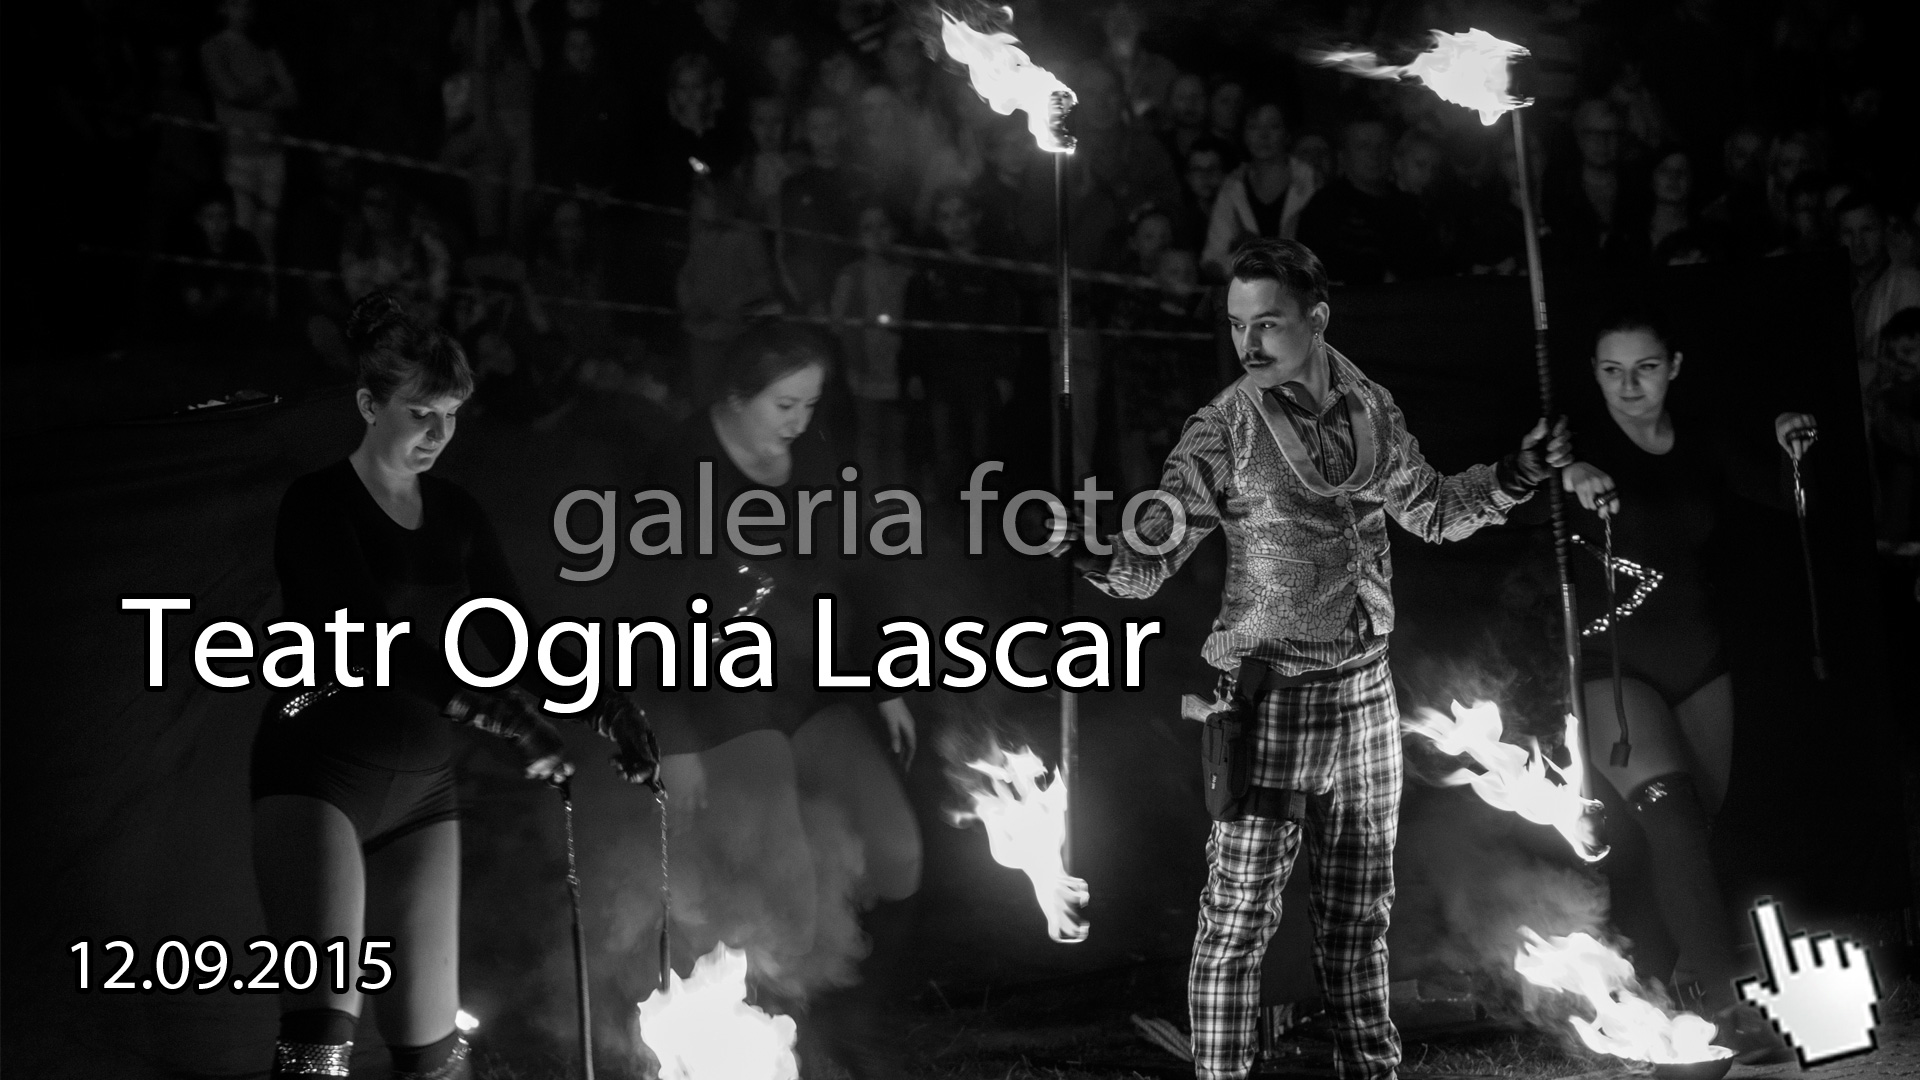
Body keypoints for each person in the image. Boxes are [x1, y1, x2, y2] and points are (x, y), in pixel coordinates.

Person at [1077, 238, 1572, 1080]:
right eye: (1237, 326)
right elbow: (1152, 551)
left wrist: (1520, 472)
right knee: (1237, 920)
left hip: (1368, 695)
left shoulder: (1372, 407)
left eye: (1267, 323)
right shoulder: (1223, 428)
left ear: (1317, 321)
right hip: (1271, 699)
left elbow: (1436, 513)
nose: (1250, 344)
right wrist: (1092, 547)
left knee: (1359, 918)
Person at [254, 292, 654, 1080]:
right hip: (318, 773)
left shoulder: (457, 513)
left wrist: (608, 708)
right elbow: (369, 639)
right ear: (370, 405)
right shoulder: (318, 505)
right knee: (321, 1044)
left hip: (423, 792)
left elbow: (520, 640)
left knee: (435, 1059)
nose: (440, 434)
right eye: (420, 414)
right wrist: (502, 717)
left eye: (453, 415)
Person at [645, 325, 922, 1080]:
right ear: (737, 395)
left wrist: (883, 675)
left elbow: (854, 574)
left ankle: (843, 1013)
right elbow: (646, 613)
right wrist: (674, 740)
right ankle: (774, 1040)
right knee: (788, 890)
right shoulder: (678, 467)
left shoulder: (815, 462)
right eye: (785, 403)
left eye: (811, 402)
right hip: (722, 702)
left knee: (896, 858)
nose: (800, 420)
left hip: (809, 686)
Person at [1556, 313, 1812, 1061]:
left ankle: (1651, 987)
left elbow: (1789, 501)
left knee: (1691, 830)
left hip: (1699, 659)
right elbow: (1527, 479)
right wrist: (1566, 476)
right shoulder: (1577, 447)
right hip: (1611, 667)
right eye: (1611, 371)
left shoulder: (1700, 438)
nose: (1628, 386)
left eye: (1644, 369)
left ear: (1673, 366)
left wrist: (1793, 447)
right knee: (1670, 819)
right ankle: (1729, 1013)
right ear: (1595, 372)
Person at [200, 0, 297, 261]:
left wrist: (252, 93)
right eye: (237, 5)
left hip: (273, 152)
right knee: (243, 229)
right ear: (222, 8)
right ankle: (243, 293)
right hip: (239, 153)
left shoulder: (265, 49)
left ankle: (270, 296)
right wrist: (267, 88)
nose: (244, 11)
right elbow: (230, 92)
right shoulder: (213, 48)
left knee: (268, 232)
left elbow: (291, 96)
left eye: (248, 5)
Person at [830, 204, 912, 484]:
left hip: (900, 369)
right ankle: (871, 506)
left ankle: (899, 503)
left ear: (894, 231)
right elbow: (837, 324)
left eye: (883, 226)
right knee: (870, 436)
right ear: (858, 236)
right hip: (864, 371)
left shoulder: (907, 274)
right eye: (868, 228)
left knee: (898, 440)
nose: (876, 235)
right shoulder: (849, 275)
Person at [1201, 102, 1318, 281]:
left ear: (1287, 133)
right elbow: (1212, 259)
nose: (1263, 136)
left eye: (1273, 126)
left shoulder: (1309, 181)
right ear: (1243, 134)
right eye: (1254, 127)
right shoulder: (1233, 186)